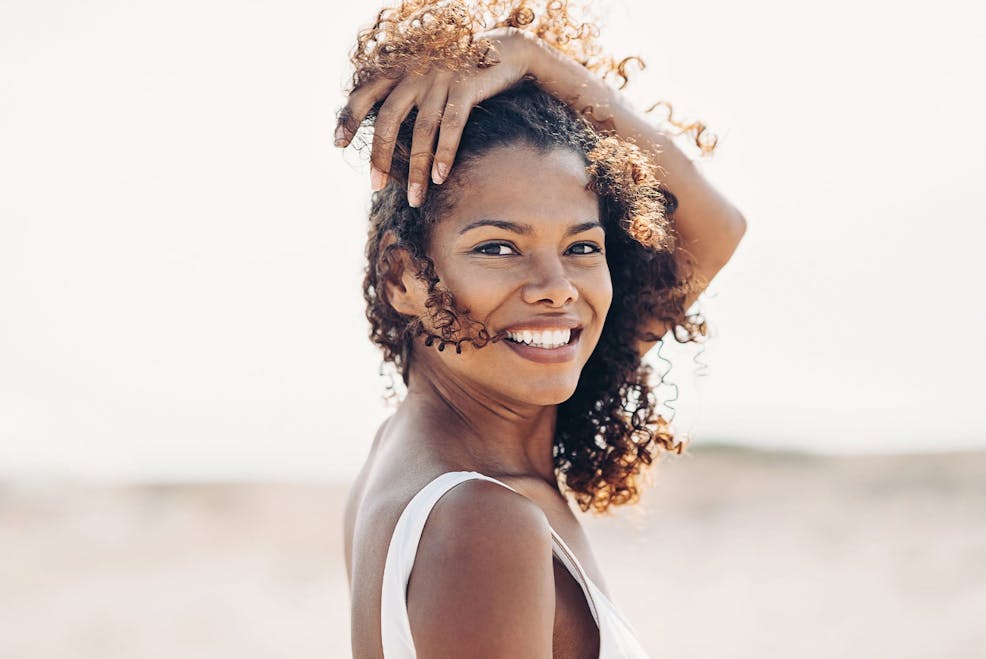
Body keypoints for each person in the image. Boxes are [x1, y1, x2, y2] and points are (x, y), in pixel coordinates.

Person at [334, 1, 747, 656]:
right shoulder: (483, 520)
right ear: (401, 276)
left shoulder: (426, 448)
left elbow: (714, 231)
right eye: (499, 248)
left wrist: (537, 61)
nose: (557, 287)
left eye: (583, 247)